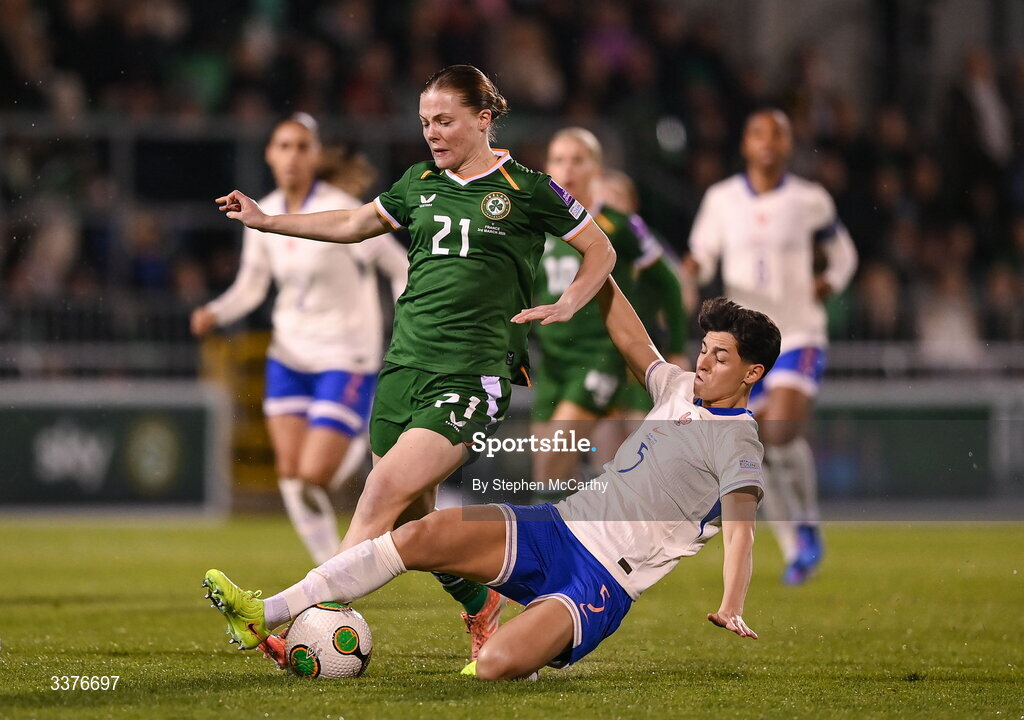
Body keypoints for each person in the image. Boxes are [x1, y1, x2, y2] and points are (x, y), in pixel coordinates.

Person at [213, 65, 616, 661]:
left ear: (483, 120)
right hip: (403, 369)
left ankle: (289, 614)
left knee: (379, 492)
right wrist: (267, 220)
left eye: (445, 120)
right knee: (410, 519)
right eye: (425, 121)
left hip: (469, 375)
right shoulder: (419, 182)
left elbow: (599, 249)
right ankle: (480, 601)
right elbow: (353, 223)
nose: (432, 132)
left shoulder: (527, 189)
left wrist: (566, 305)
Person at [202, 288, 780, 680]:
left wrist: (731, 603)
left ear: (751, 373)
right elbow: (633, 341)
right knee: (423, 534)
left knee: (497, 667)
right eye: (704, 350)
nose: (703, 363)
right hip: (555, 526)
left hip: (601, 581)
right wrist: (592, 260)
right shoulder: (678, 388)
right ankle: (265, 611)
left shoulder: (739, 444)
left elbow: (741, 534)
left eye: (720, 358)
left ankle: (504, 633)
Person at [192, 114, 408, 567]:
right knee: (292, 476)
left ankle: (354, 436)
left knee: (314, 473)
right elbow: (251, 288)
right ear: (270, 154)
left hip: (345, 355)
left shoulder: (342, 209)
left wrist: (409, 323)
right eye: (283, 146)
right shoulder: (262, 211)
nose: (292, 156)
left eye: (301, 147)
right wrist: (216, 311)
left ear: (316, 155)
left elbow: (398, 266)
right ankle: (331, 569)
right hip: (288, 355)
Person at [683, 108, 858, 585]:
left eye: (778, 135)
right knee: (760, 445)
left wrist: (830, 280)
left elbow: (844, 252)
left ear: (788, 145)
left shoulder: (810, 199)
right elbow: (701, 254)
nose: (767, 142)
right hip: (749, 340)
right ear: (745, 143)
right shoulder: (721, 199)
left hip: (800, 332)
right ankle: (797, 540)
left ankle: (806, 524)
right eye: (758, 132)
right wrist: (690, 272)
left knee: (777, 430)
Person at [529, 128, 648, 495]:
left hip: (599, 356)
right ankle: (578, 543)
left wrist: (673, 341)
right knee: (551, 473)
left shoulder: (616, 223)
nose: (567, 169)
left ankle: (537, 548)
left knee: (556, 459)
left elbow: (669, 283)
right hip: (552, 363)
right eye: (558, 160)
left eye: (577, 160)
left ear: (596, 168)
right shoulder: (535, 225)